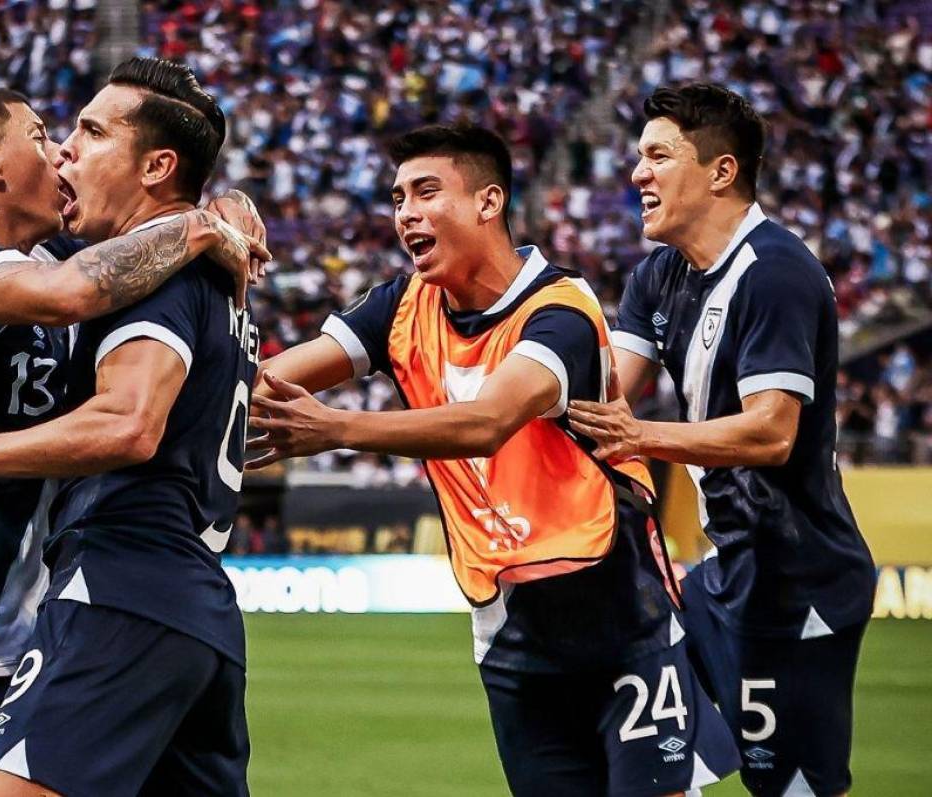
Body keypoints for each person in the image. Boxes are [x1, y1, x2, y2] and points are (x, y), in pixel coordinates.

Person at [244, 123, 739, 797]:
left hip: (623, 616)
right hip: (510, 631)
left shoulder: (560, 311)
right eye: (397, 199)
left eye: (426, 192)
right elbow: (268, 381)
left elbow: (487, 422)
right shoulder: (399, 308)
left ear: (489, 201)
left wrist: (337, 428)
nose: (406, 213)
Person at [0, 85, 266, 797]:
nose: (63, 153)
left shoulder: (60, 258)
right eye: (42, 136)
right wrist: (202, 224)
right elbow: (81, 287)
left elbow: (141, 222)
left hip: (31, 631)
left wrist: (225, 201)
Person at [566, 83, 875, 797]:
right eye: (639, 156)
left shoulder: (775, 273)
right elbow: (602, 399)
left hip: (796, 583)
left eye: (658, 156)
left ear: (721, 172)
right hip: (723, 573)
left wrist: (639, 435)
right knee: (638, 732)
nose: (637, 173)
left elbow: (771, 431)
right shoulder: (659, 275)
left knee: (789, 790)